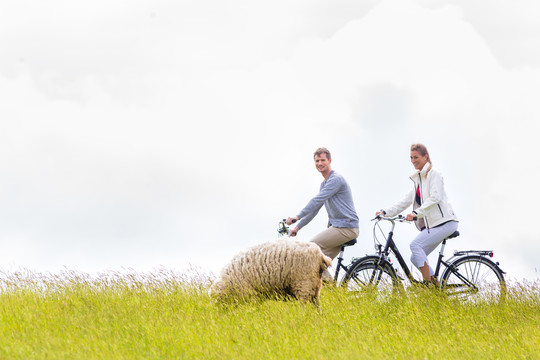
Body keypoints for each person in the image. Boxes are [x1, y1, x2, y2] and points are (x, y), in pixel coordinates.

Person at [376, 143, 458, 284]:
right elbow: (405, 201)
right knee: (415, 257)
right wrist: (385, 212)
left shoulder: (434, 174)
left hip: (446, 222)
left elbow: (435, 197)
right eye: (411, 158)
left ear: (425, 157)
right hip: (434, 225)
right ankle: (435, 286)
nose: (413, 160)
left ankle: (428, 286)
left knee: (415, 245)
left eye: (416, 157)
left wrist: (416, 213)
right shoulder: (419, 180)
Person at [286, 147, 359, 267]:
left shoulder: (336, 180)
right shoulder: (324, 184)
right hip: (338, 227)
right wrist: (297, 228)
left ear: (330, 161)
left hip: (346, 228)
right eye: (317, 161)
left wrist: (297, 216)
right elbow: (315, 209)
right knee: (318, 264)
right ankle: (330, 285)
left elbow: (316, 201)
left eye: (323, 160)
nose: (320, 163)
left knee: (310, 248)